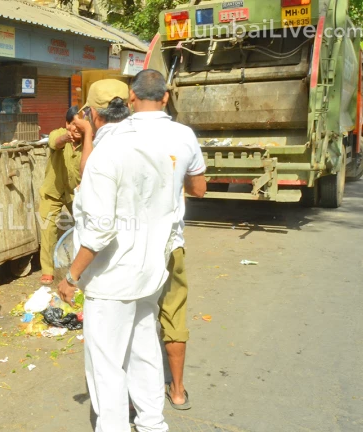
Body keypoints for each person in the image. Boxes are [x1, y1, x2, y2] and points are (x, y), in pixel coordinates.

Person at [58, 79, 176, 432]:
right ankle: (153, 425)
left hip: (112, 281)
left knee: (106, 366)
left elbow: (99, 230)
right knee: (145, 354)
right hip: (147, 272)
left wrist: (71, 276)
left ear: (91, 113)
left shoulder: (104, 157)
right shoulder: (154, 146)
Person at [119, 69, 207, 410]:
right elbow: (198, 188)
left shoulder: (115, 135)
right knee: (173, 313)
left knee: (129, 314)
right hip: (169, 242)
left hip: (125, 245)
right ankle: (178, 390)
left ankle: (129, 395)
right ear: (166, 97)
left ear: (131, 97)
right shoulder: (184, 135)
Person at [38, 106, 83, 285]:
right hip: (53, 191)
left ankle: (81, 267)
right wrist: (65, 138)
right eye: (73, 124)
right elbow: (54, 142)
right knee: (47, 229)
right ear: (67, 124)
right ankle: (48, 270)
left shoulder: (89, 142)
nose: (77, 129)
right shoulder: (58, 133)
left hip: (76, 193)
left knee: (85, 226)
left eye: (81, 125)